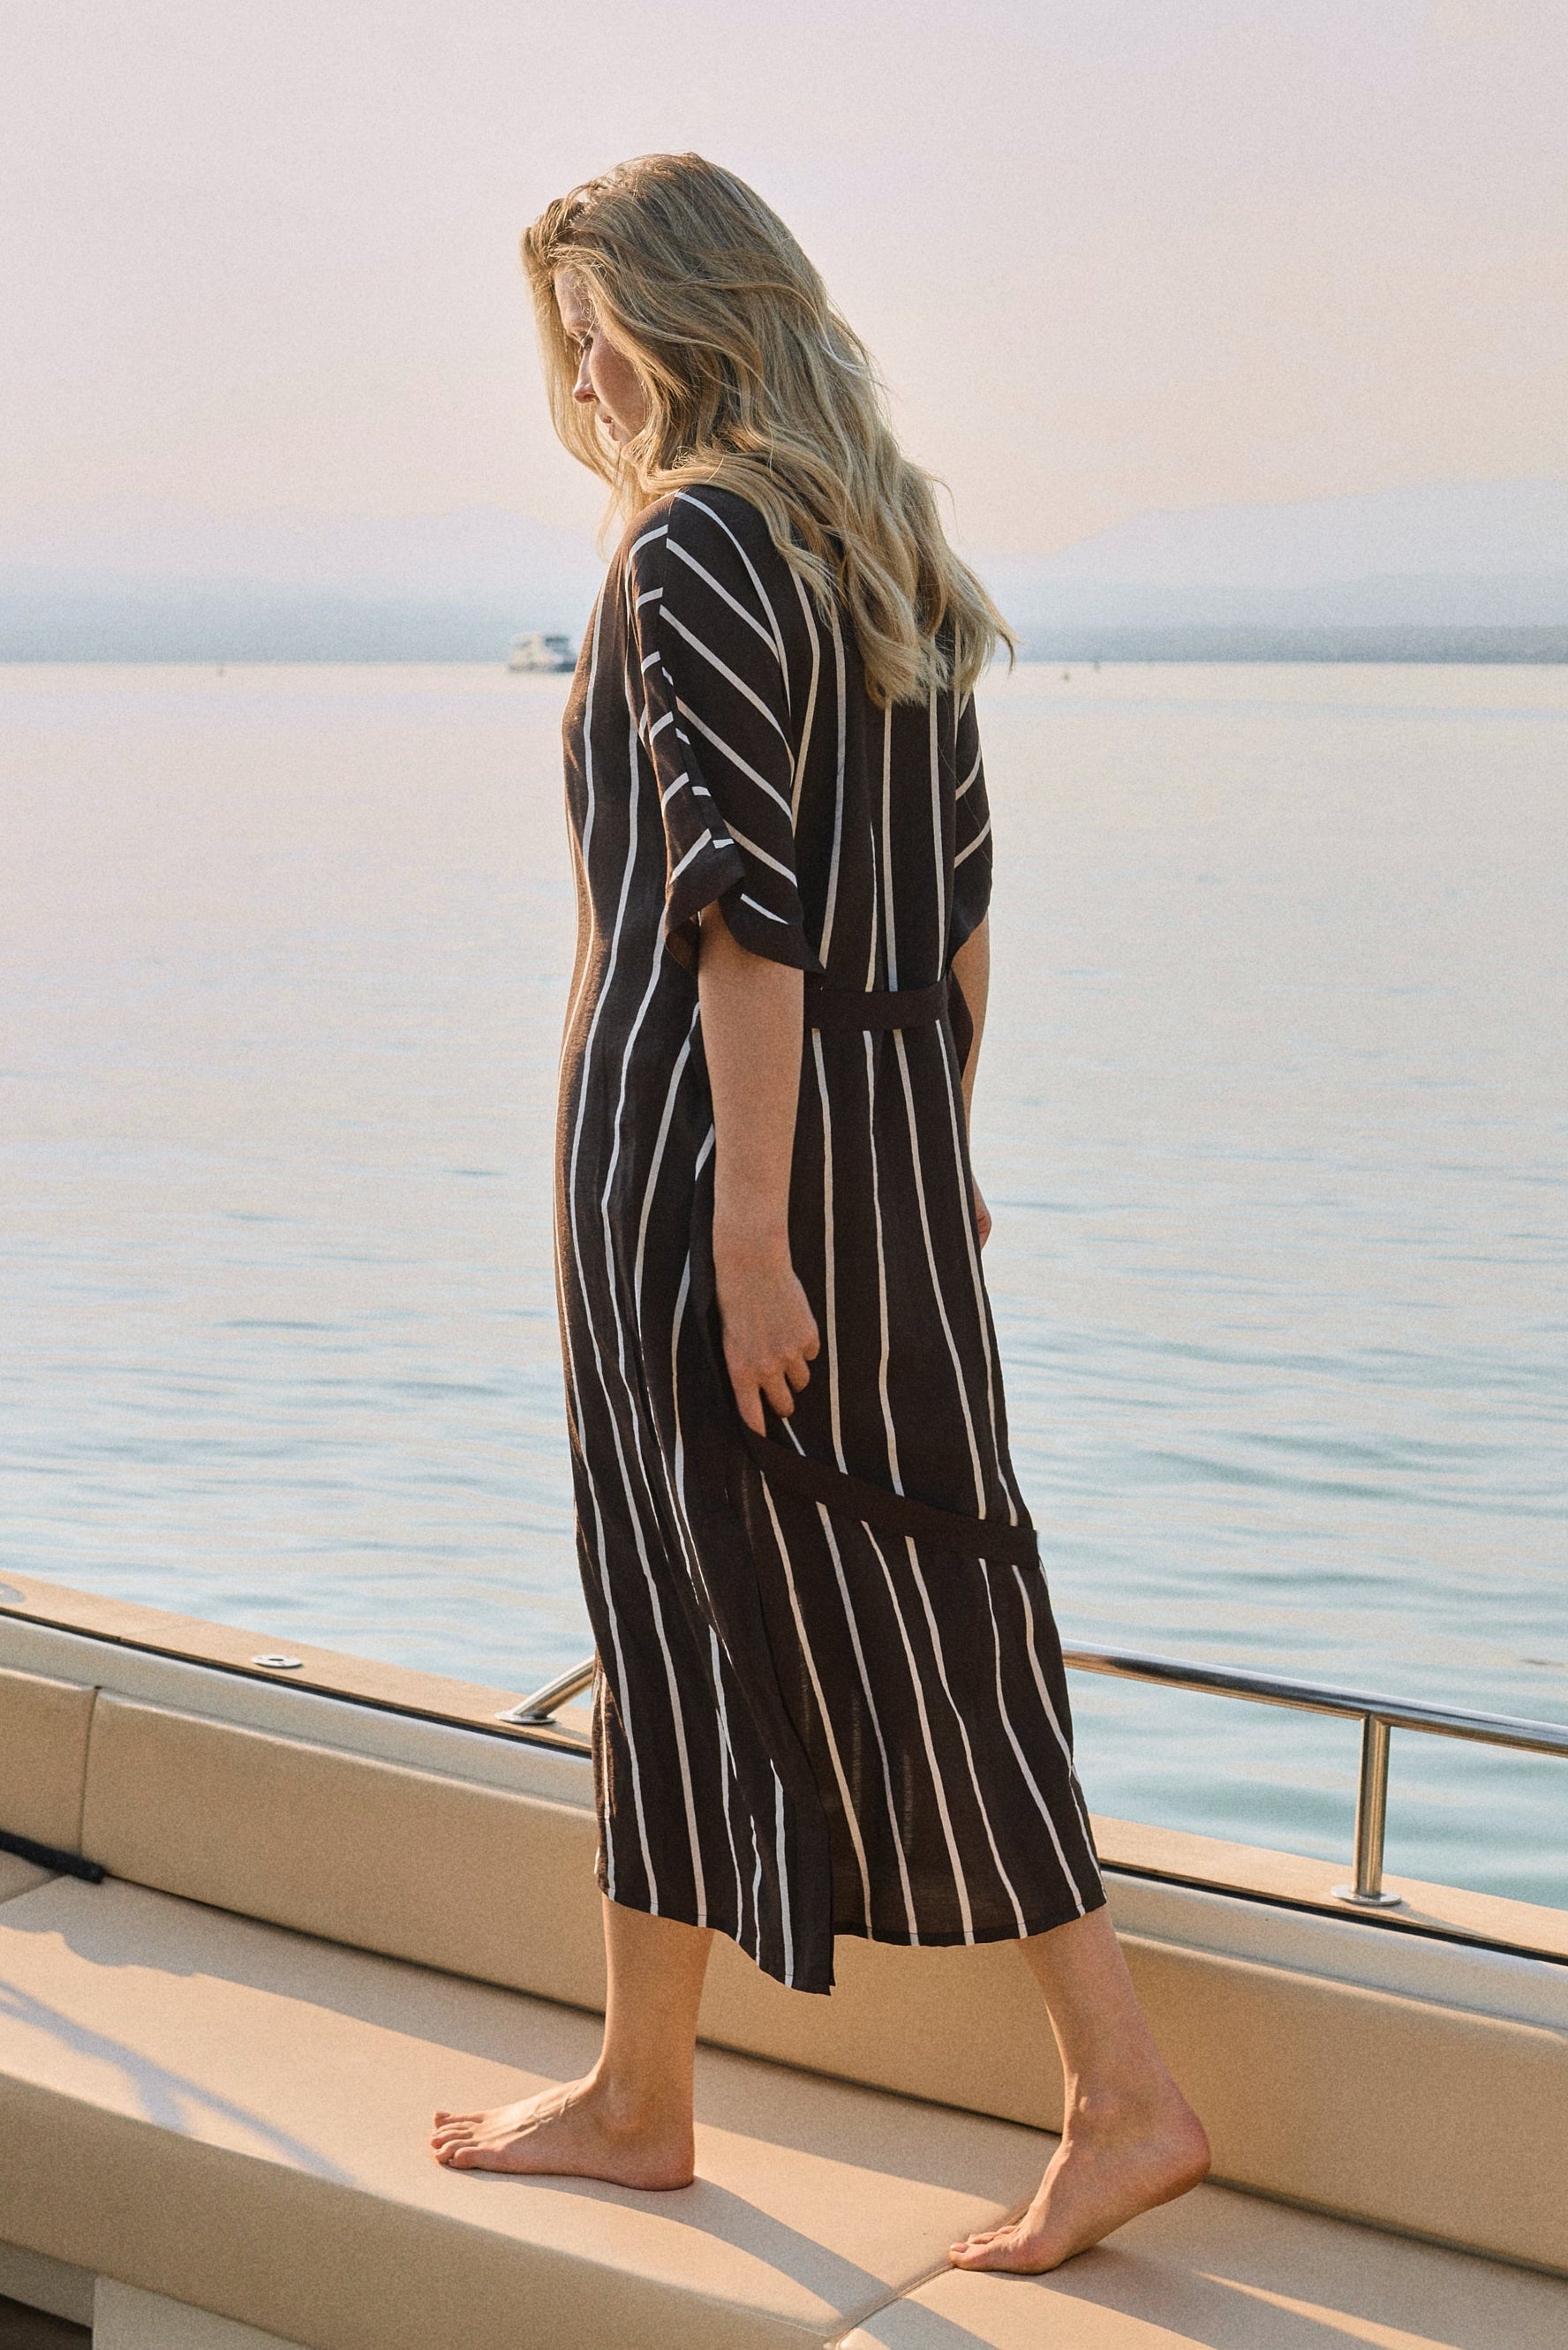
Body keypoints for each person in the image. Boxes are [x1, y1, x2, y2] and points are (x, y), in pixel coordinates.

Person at [432, 152, 1208, 2274]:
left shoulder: (689, 542)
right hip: (884, 1150)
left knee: (697, 1593)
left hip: (699, 1162)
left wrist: (755, 1236)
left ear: (689, 308)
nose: (578, 366)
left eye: (593, 316)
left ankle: (1103, 2091)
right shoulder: (879, 547)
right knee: (914, 1587)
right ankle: (650, 2087)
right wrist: (928, 1172)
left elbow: (734, 923)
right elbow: (956, 928)